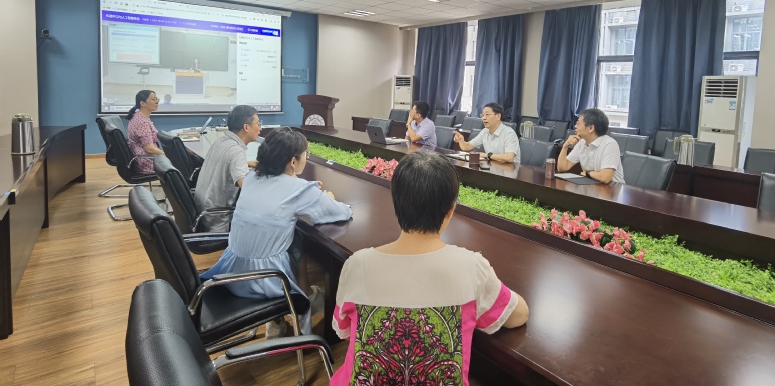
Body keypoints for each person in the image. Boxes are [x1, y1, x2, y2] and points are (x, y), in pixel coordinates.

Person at [331, 151, 529, 384]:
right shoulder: (471, 267)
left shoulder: (357, 265)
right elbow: (519, 315)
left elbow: (344, 330)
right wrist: (491, 278)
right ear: (450, 211)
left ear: (396, 204)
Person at [203, 127, 352, 337]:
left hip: (231, 271)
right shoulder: (300, 190)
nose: (306, 158)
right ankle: (303, 302)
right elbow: (342, 212)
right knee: (296, 241)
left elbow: (279, 192)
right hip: (266, 280)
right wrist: (328, 197)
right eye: (306, 154)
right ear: (293, 161)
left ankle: (285, 313)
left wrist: (305, 188)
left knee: (295, 239)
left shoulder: (251, 178)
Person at [193, 105, 261, 232]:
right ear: (246, 127)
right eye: (258, 124)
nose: (260, 128)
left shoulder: (221, 141)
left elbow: (224, 161)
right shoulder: (236, 151)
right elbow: (246, 186)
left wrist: (246, 163)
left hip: (202, 211)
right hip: (217, 220)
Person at [557, 108, 625, 184]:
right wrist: (565, 147)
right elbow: (562, 167)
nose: (575, 126)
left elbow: (605, 177)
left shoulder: (609, 144)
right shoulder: (582, 143)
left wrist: (587, 173)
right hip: (592, 185)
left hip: (613, 188)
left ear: (591, 128)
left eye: (578, 123)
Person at [453, 103, 520, 163]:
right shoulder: (485, 131)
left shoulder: (509, 133)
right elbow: (467, 147)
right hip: (493, 166)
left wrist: (486, 155)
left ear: (498, 116)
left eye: (487, 115)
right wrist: (461, 141)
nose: (484, 118)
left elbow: (509, 157)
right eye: (482, 115)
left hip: (510, 169)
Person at [126, 90, 164, 174]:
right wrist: (165, 154)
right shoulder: (142, 122)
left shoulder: (138, 116)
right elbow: (150, 149)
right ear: (143, 103)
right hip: (147, 161)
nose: (156, 102)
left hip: (145, 158)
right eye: (153, 99)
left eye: (157, 99)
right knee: (183, 163)